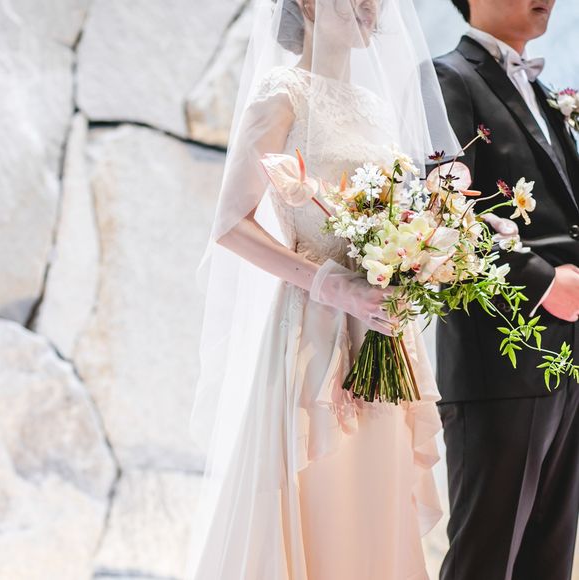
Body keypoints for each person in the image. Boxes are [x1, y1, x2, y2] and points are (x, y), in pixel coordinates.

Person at [186, 0, 460, 578]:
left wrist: (417, 260)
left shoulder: (376, 107)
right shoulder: (282, 94)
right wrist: (330, 285)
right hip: (314, 330)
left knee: (375, 497)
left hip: (384, 332)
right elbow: (230, 225)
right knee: (324, 494)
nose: (372, 7)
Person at [435, 1, 579, 579]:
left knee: (550, 558)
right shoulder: (448, 77)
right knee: (486, 558)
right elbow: (441, 210)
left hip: (568, 356)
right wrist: (544, 281)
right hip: (500, 354)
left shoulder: (545, 95)